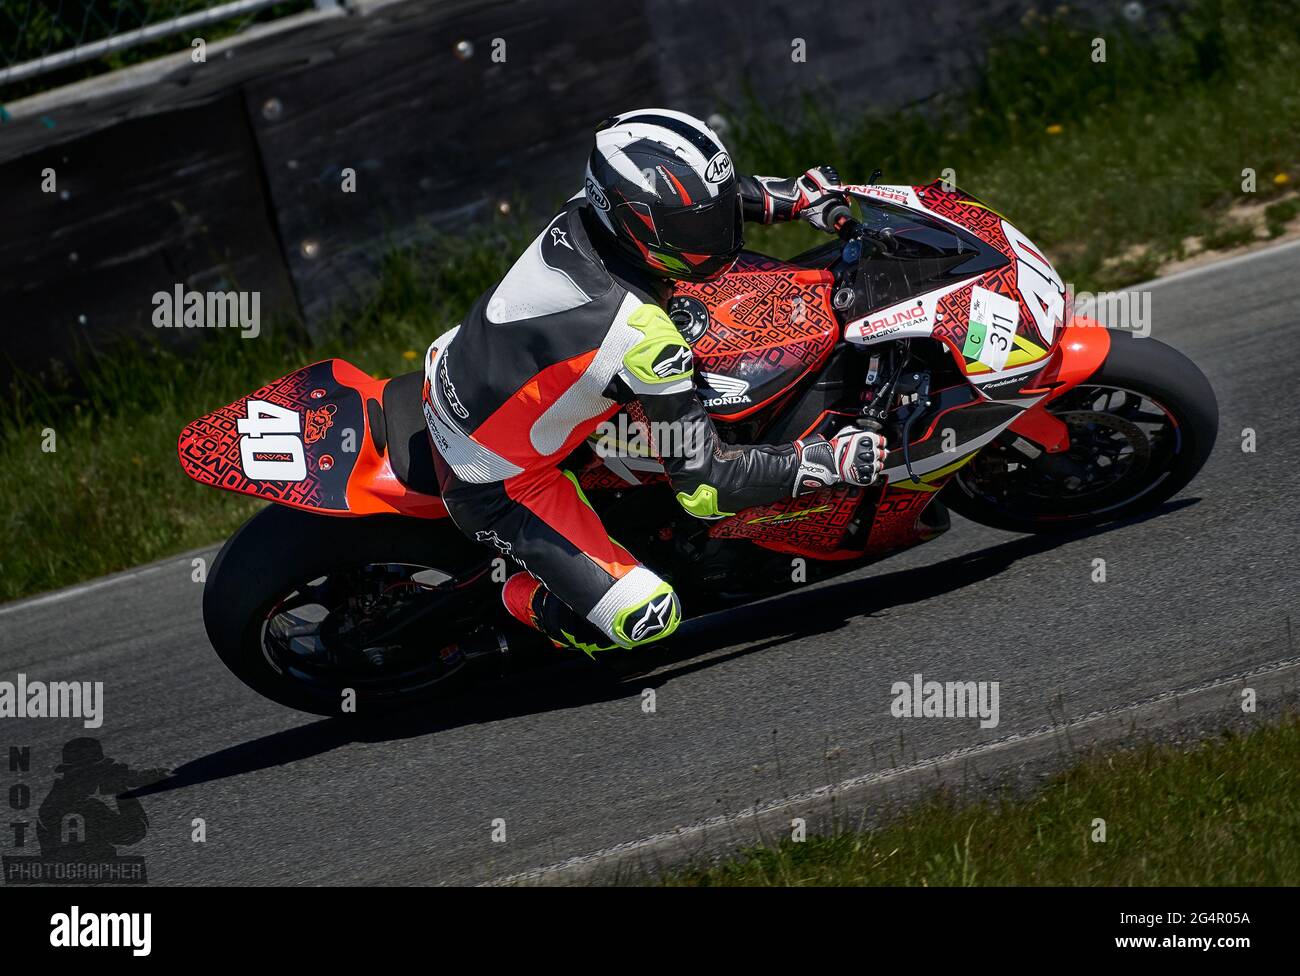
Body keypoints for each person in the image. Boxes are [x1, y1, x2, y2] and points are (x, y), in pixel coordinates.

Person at [423, 108, 887, 655]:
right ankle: (516, 599)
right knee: (648, 618)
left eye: (710, 220)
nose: (715, 240)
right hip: (495, 480)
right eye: (696, 230)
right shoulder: (641, 336)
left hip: (460, 366)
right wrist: (823, 462)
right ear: (638, 222)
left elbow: (700, 203)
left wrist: (791, 199)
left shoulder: (594, 207)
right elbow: (707, 488)